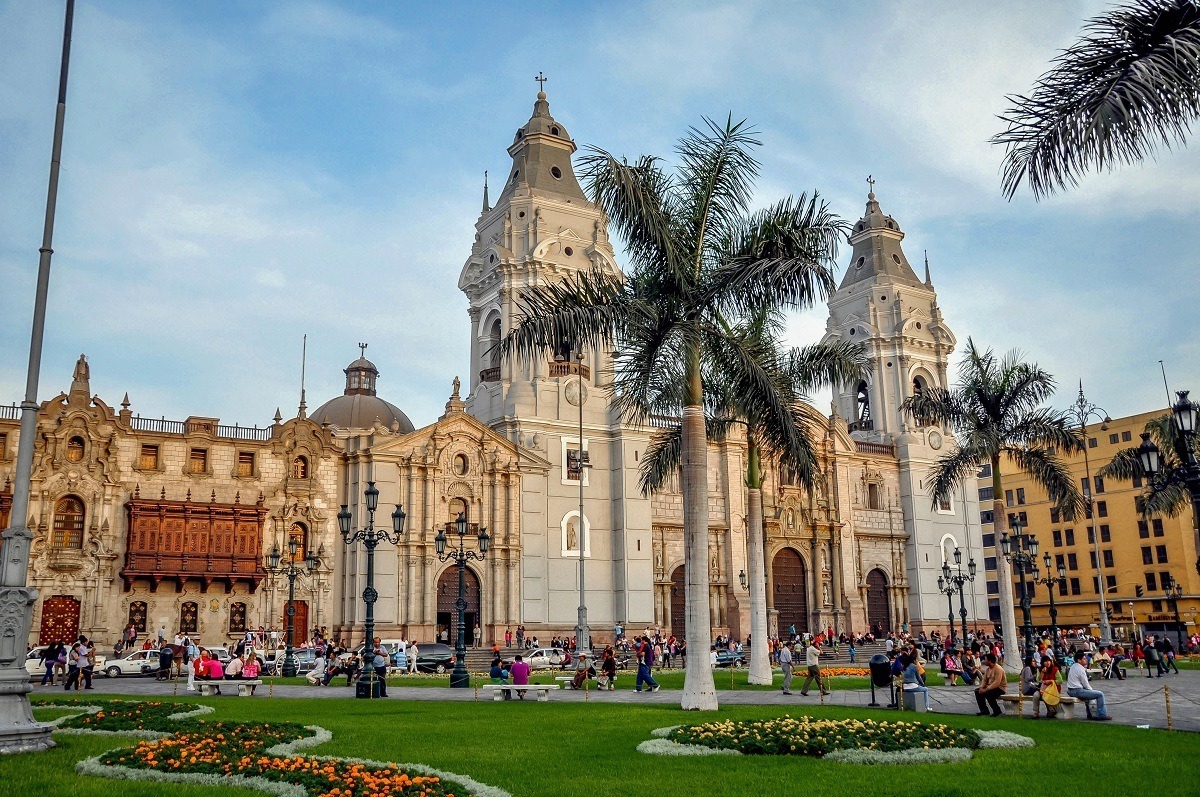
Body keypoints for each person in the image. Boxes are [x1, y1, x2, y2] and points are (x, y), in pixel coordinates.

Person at [1065, 650, 1112, 720]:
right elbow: (1086, 684)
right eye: (1084, 659)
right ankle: (1101, 714)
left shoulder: (1073, 666)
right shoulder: (1080, 669)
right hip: (1077, 691)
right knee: (1100, 694)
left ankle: (1090, 714)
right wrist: (1091, 691)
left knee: (1088, 694)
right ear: (1079, 660)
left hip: (1070, 690)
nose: (1086, 660)